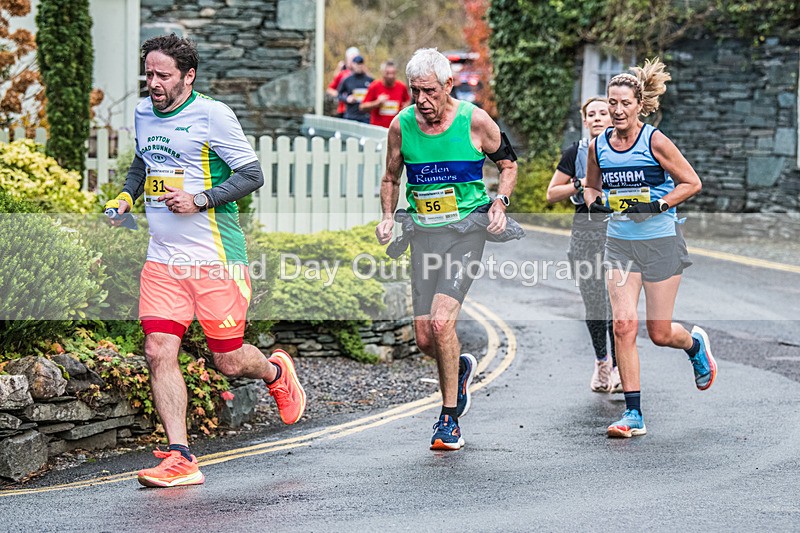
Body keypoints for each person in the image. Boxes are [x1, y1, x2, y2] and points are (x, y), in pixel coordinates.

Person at [105, 34, 306, 487]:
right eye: (149, 74)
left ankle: (275, 371)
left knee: (229, 360)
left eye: (163, 75)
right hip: (163, 260)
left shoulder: (213, 114)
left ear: (188, 76)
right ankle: (180, 456)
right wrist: (124, 199)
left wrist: (199, 199)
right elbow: (143, 163)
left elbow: (252, 174)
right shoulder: (142, 112)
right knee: (158, 350)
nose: (153, 83)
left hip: (216, 258)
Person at [375, 48, 518, 451]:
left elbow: (509, 164)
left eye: (429, 91)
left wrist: (499, 202)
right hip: (423, 235)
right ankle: (461, 369)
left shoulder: (475, 121)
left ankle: (448, 419)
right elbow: (390, 177)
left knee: (441, 323)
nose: (422, 101)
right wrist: (388, 216)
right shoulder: (401, 126)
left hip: (464, 233)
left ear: (448, 85)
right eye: (414, 91)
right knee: (424, 338)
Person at [583, 58, 717, 438]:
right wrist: (596, 203)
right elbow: (592, 187)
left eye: (625, 103)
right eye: (612, 103)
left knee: (659, 332)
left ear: (639, 105)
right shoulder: (599, 146)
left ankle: (694, 345)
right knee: (624, 324)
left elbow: (691, 182)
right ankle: (633, 413)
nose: (618, 110)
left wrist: (658, 204)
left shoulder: (654, 140)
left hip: (660, 240)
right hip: (620, 243)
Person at [546, 97, 619, 393]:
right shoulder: (574, 152)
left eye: (603, 113)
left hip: (617, 229)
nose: (598, 118)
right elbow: (551, 194)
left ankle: (619, 367)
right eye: (592, 114)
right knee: (594, 302)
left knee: (617, 301)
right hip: (585, 229)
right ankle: (602, 363)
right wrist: (579, 184)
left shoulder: (624, 151)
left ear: (612, 117)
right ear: (584, 120)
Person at [359, 60, 410, 128]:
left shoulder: (402, 87)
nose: (391, 76)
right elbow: (362, 107)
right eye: (387, 73)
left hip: (395, 129)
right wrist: (377, 103)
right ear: (382, 73)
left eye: (393, 73)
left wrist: (406, 106)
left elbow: (408, 101)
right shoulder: (374, 86)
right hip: (377, 129)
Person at [337, 55, 373, 123]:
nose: (359, 66)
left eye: (360, 64)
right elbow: (339, 94)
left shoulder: (369, 80)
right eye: (357, 64)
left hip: (365, 117)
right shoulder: (347, 80)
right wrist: (347, 99)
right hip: (351, 116)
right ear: (353, 65)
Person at [327, 46, 361, 118]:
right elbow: (330, 89)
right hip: (344, 110)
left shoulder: (364, 77)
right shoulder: (342, 75)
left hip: (359, 111)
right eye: (351, 59)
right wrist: (344, 97)